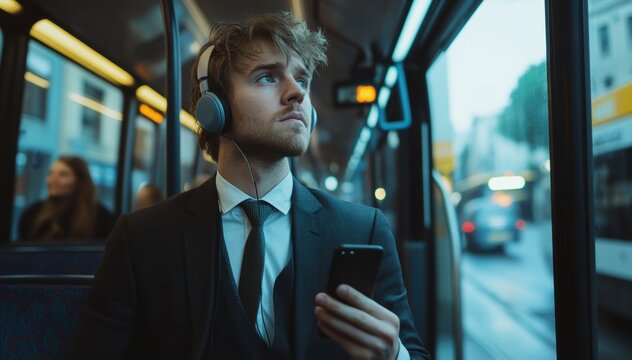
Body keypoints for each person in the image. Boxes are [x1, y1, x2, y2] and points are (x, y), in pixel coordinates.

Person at [69, 12, 429, 360]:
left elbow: (415, 353)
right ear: (216, 107)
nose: (297, 94)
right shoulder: (142, 238)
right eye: (267, 78)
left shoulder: (362, 229)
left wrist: (393, 356)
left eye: (301, 80)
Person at [18, 155, 116, 241]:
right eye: (51, 174)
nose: (53, 180)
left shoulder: (101, 217)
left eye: (63, 175)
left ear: (79, 181)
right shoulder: (33, 213)